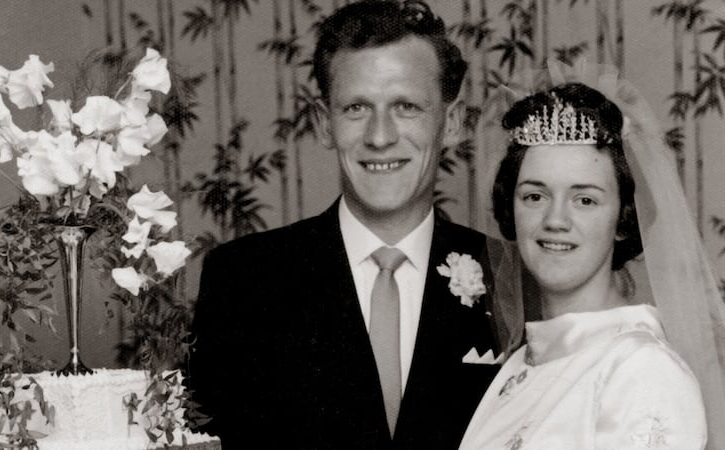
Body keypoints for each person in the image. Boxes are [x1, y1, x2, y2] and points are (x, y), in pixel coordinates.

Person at [186, 1, 504, 448]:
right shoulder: (243, 278)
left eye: (407, 106)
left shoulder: (511, 274)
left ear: (450, 123)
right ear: (324, 123)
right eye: (356, 108)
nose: (379, 136)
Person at [459, 70, 725, 448]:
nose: (555, 220)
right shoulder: (520, 366)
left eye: (584, 200)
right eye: (535, 196)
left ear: (623, 219)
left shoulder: (642, 372)